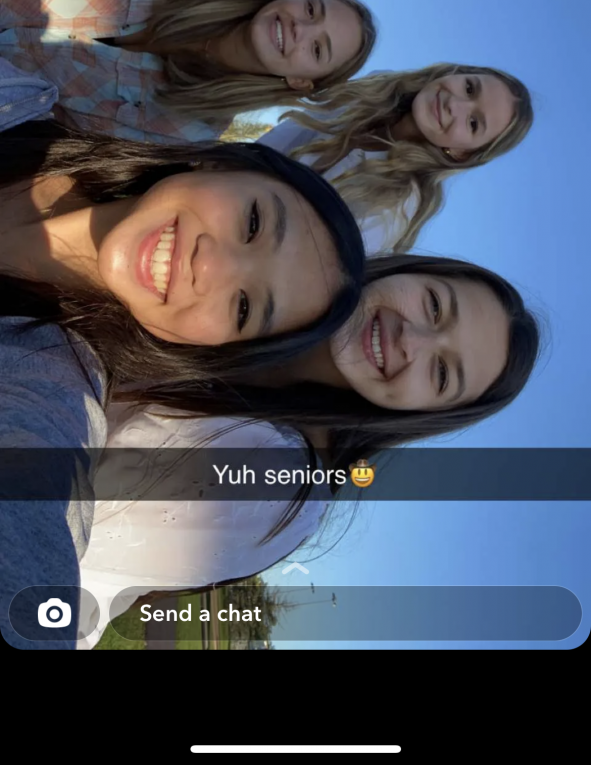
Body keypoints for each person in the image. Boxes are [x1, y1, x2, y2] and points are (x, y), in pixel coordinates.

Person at [0, 123, 366, 650]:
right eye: (254, 222)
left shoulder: (53, 380)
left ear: (207, 347)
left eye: (244, 307)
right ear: (219, 163)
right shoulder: (27, 107)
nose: (210, 264)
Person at [77, 250, 541, 647]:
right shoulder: (247, 292)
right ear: (404, 271)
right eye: (435, 305)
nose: (411, 340)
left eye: (441, 373)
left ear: (421, 414)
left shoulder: (272, 475)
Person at [0, 0, 376, 144]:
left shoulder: (195, 129)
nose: (300, 27)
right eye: (311, 9)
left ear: (300, 82)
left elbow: (55, 131)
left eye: (317, 49)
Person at [262, 63, 534, 250]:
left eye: (474, 122)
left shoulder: (394, 205)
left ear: (463, 153)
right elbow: (281, 137)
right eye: (470, 88)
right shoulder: (373, 89)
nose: (455, 104)